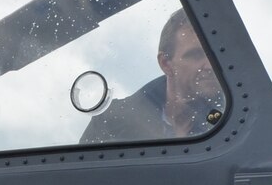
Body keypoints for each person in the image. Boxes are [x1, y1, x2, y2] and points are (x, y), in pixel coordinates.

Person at [81, 9, 222, 143]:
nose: (210, 66)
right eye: (195, 55)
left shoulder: (235, 121)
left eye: (215, 54)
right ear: (166, 63)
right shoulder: (110, 123)